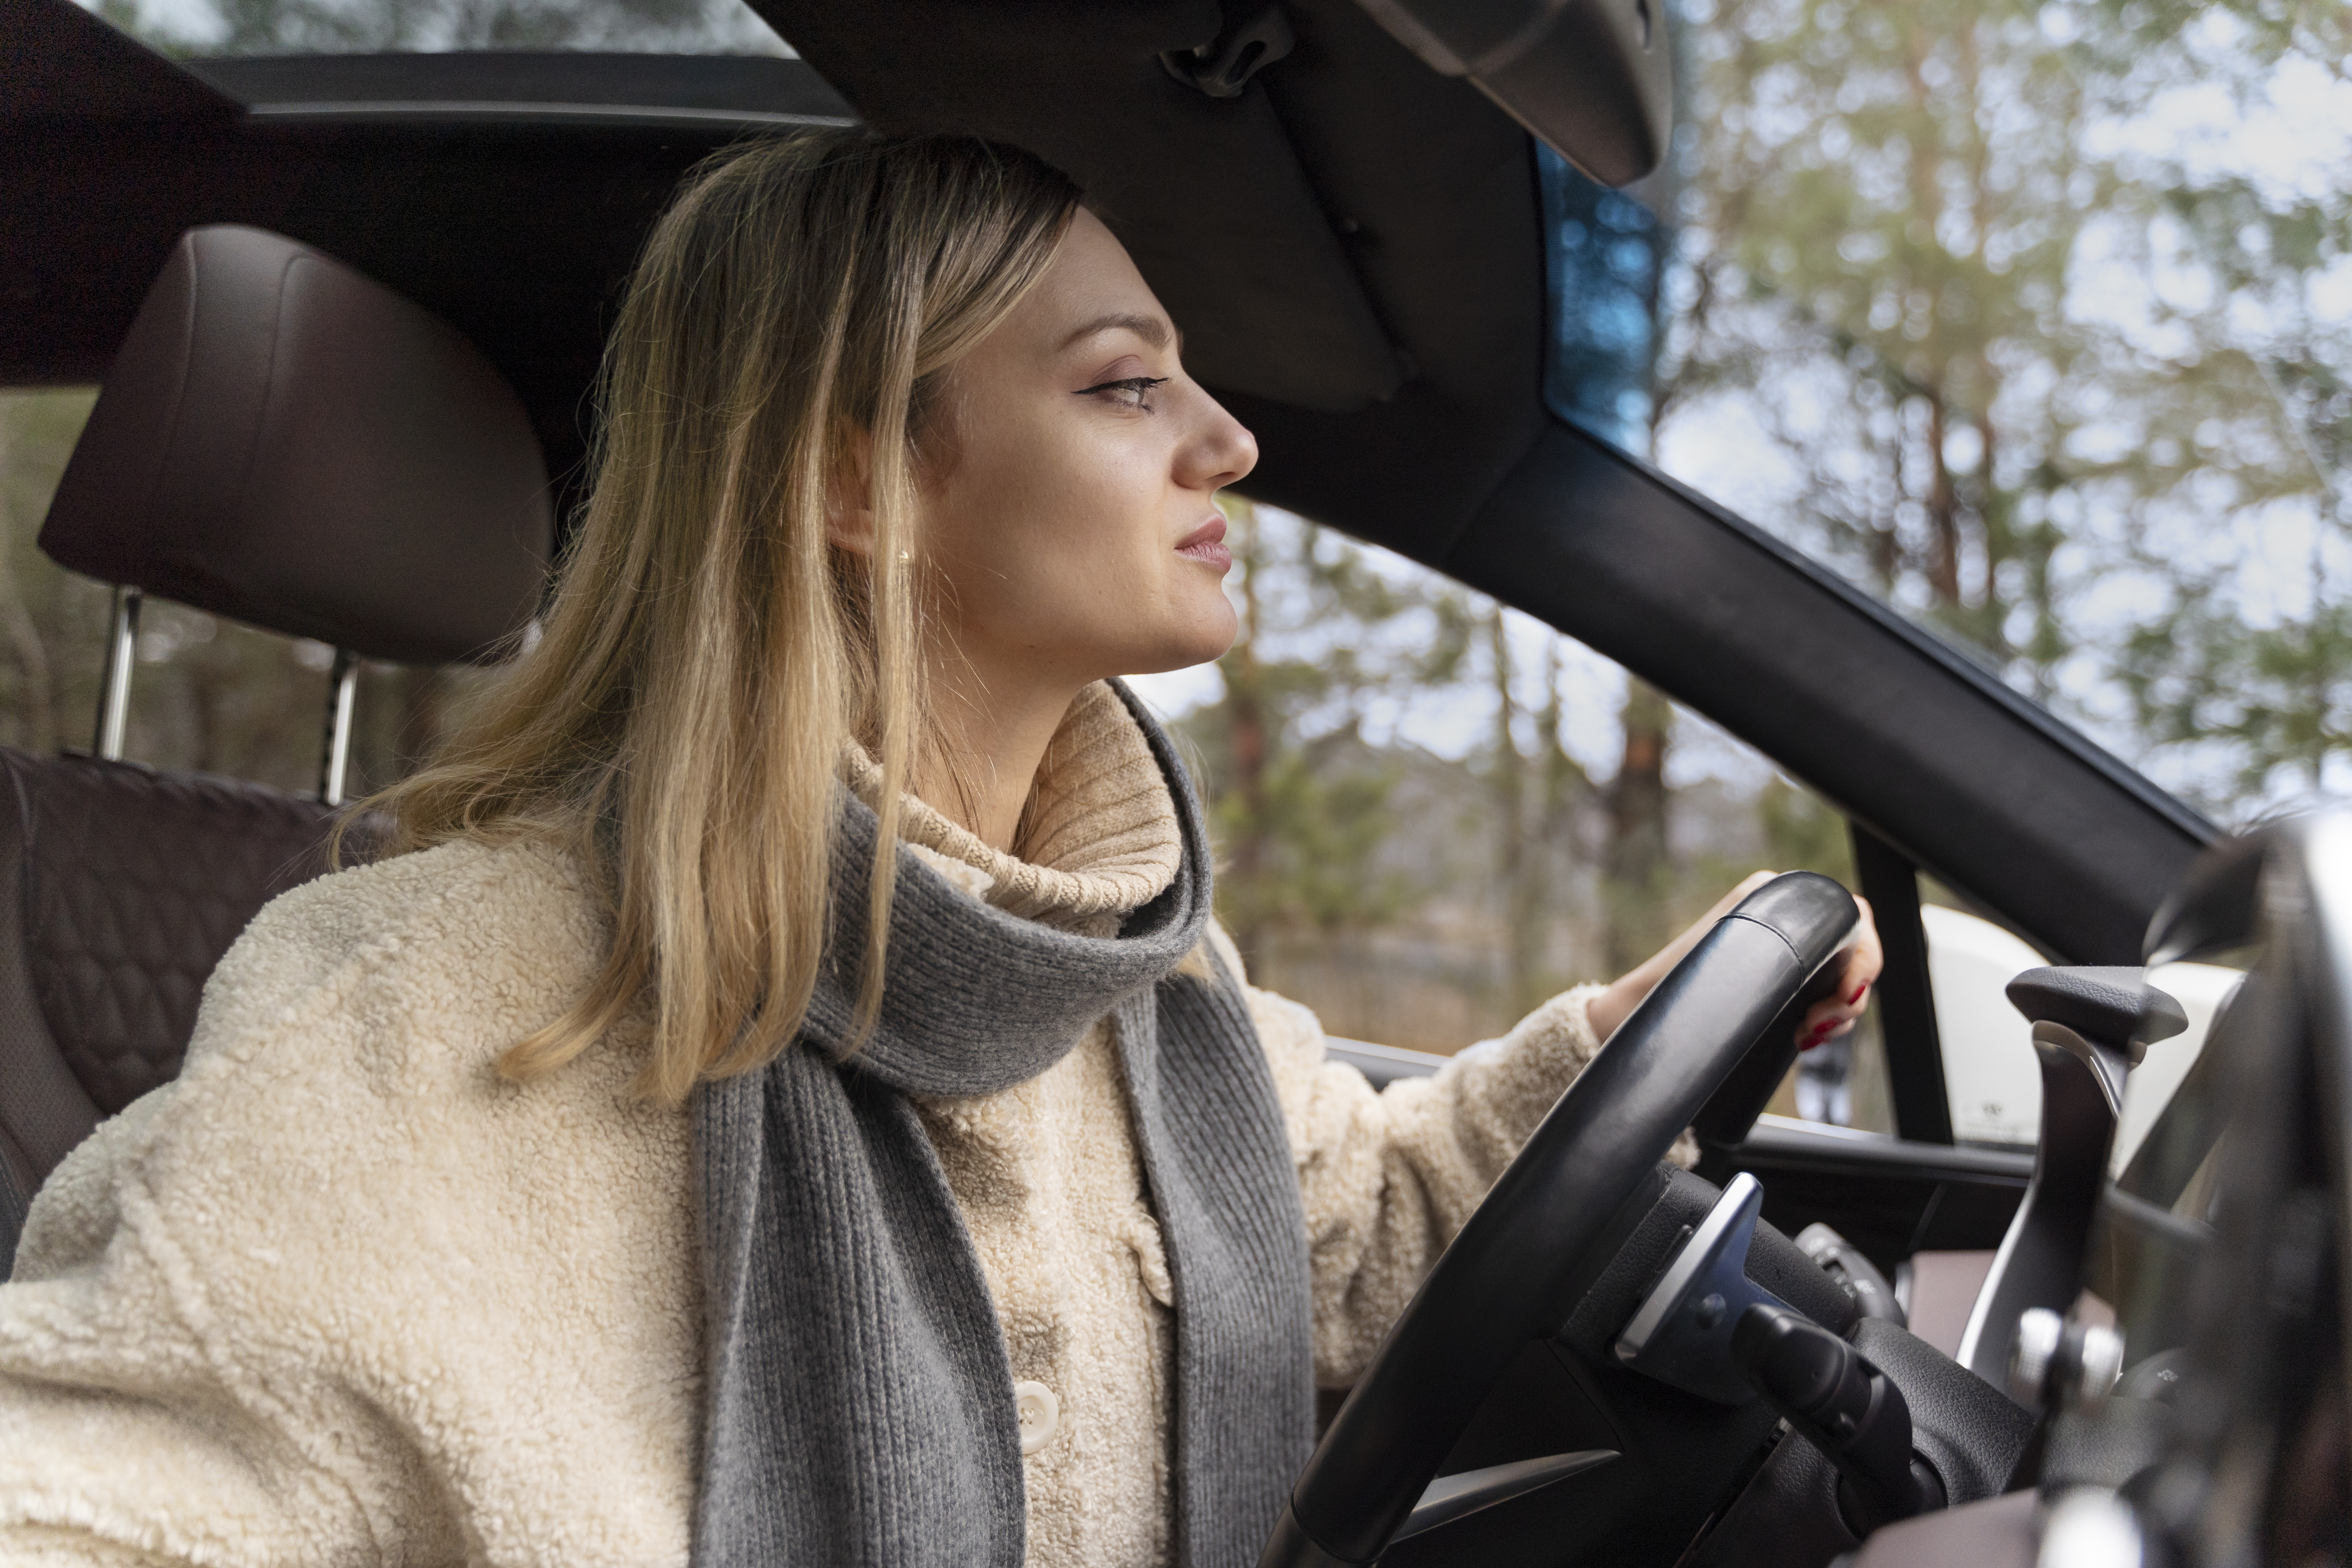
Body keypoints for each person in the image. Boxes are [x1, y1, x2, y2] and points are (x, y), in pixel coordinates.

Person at [0, 131, 1879, 1567]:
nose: (1230, 439)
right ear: (858, 478)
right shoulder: (433, 1002)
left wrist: (1620, 1036)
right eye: (1126, 384)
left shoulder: (1143, 977)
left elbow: (1356, 1234)